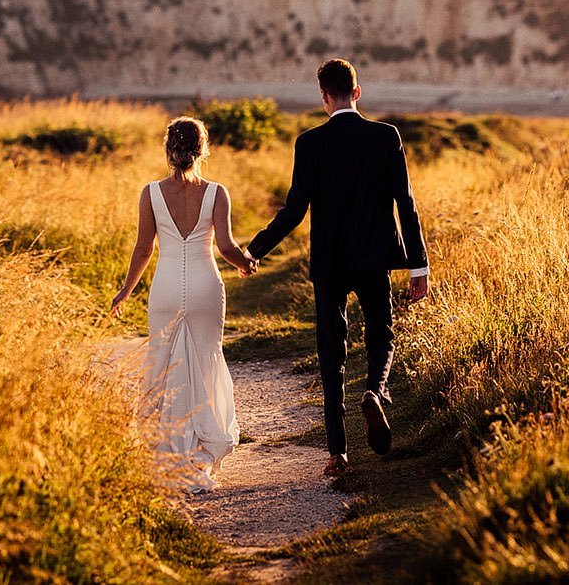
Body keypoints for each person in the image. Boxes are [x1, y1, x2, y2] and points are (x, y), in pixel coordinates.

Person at [245, 58, 430, 475]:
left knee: (332, 352)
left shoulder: (309, 144)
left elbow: (294, 211)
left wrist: (255, 250)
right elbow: (406, 203)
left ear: (324, 97)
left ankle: (337, 452)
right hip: (375, 258)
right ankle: (375, 394)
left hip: (330, 262)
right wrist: (418, 265)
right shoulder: (386, 136)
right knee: (382, 335)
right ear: (357, 92)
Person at [108, 116, 258, 491]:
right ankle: (204, 445)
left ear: (168, 150)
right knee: (206, 360)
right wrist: (246, 264)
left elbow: (144, 248)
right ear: (203, 149)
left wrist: (126, 289)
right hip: (207, 287)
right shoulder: (217, 192)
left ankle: (171, 448)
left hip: (166, 289)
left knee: (166, 365)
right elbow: (225, 247)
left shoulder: (151, 193)